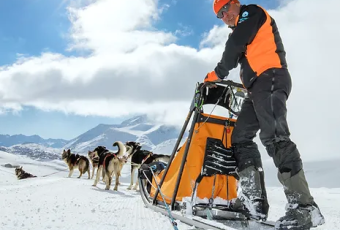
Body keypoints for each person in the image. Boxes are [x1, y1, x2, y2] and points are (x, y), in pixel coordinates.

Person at [203, 0, 325, 229]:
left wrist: (217, 73)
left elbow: (236, 44)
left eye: (225, 9)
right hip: (255, 87)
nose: (224, 16)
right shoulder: (239, 30)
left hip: (271, 77)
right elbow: (238, 46)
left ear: (236, 4)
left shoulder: (252, 13)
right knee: (240, 138)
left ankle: (304, 207)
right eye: (219, 15)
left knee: (275, 137)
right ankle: (253, 202)